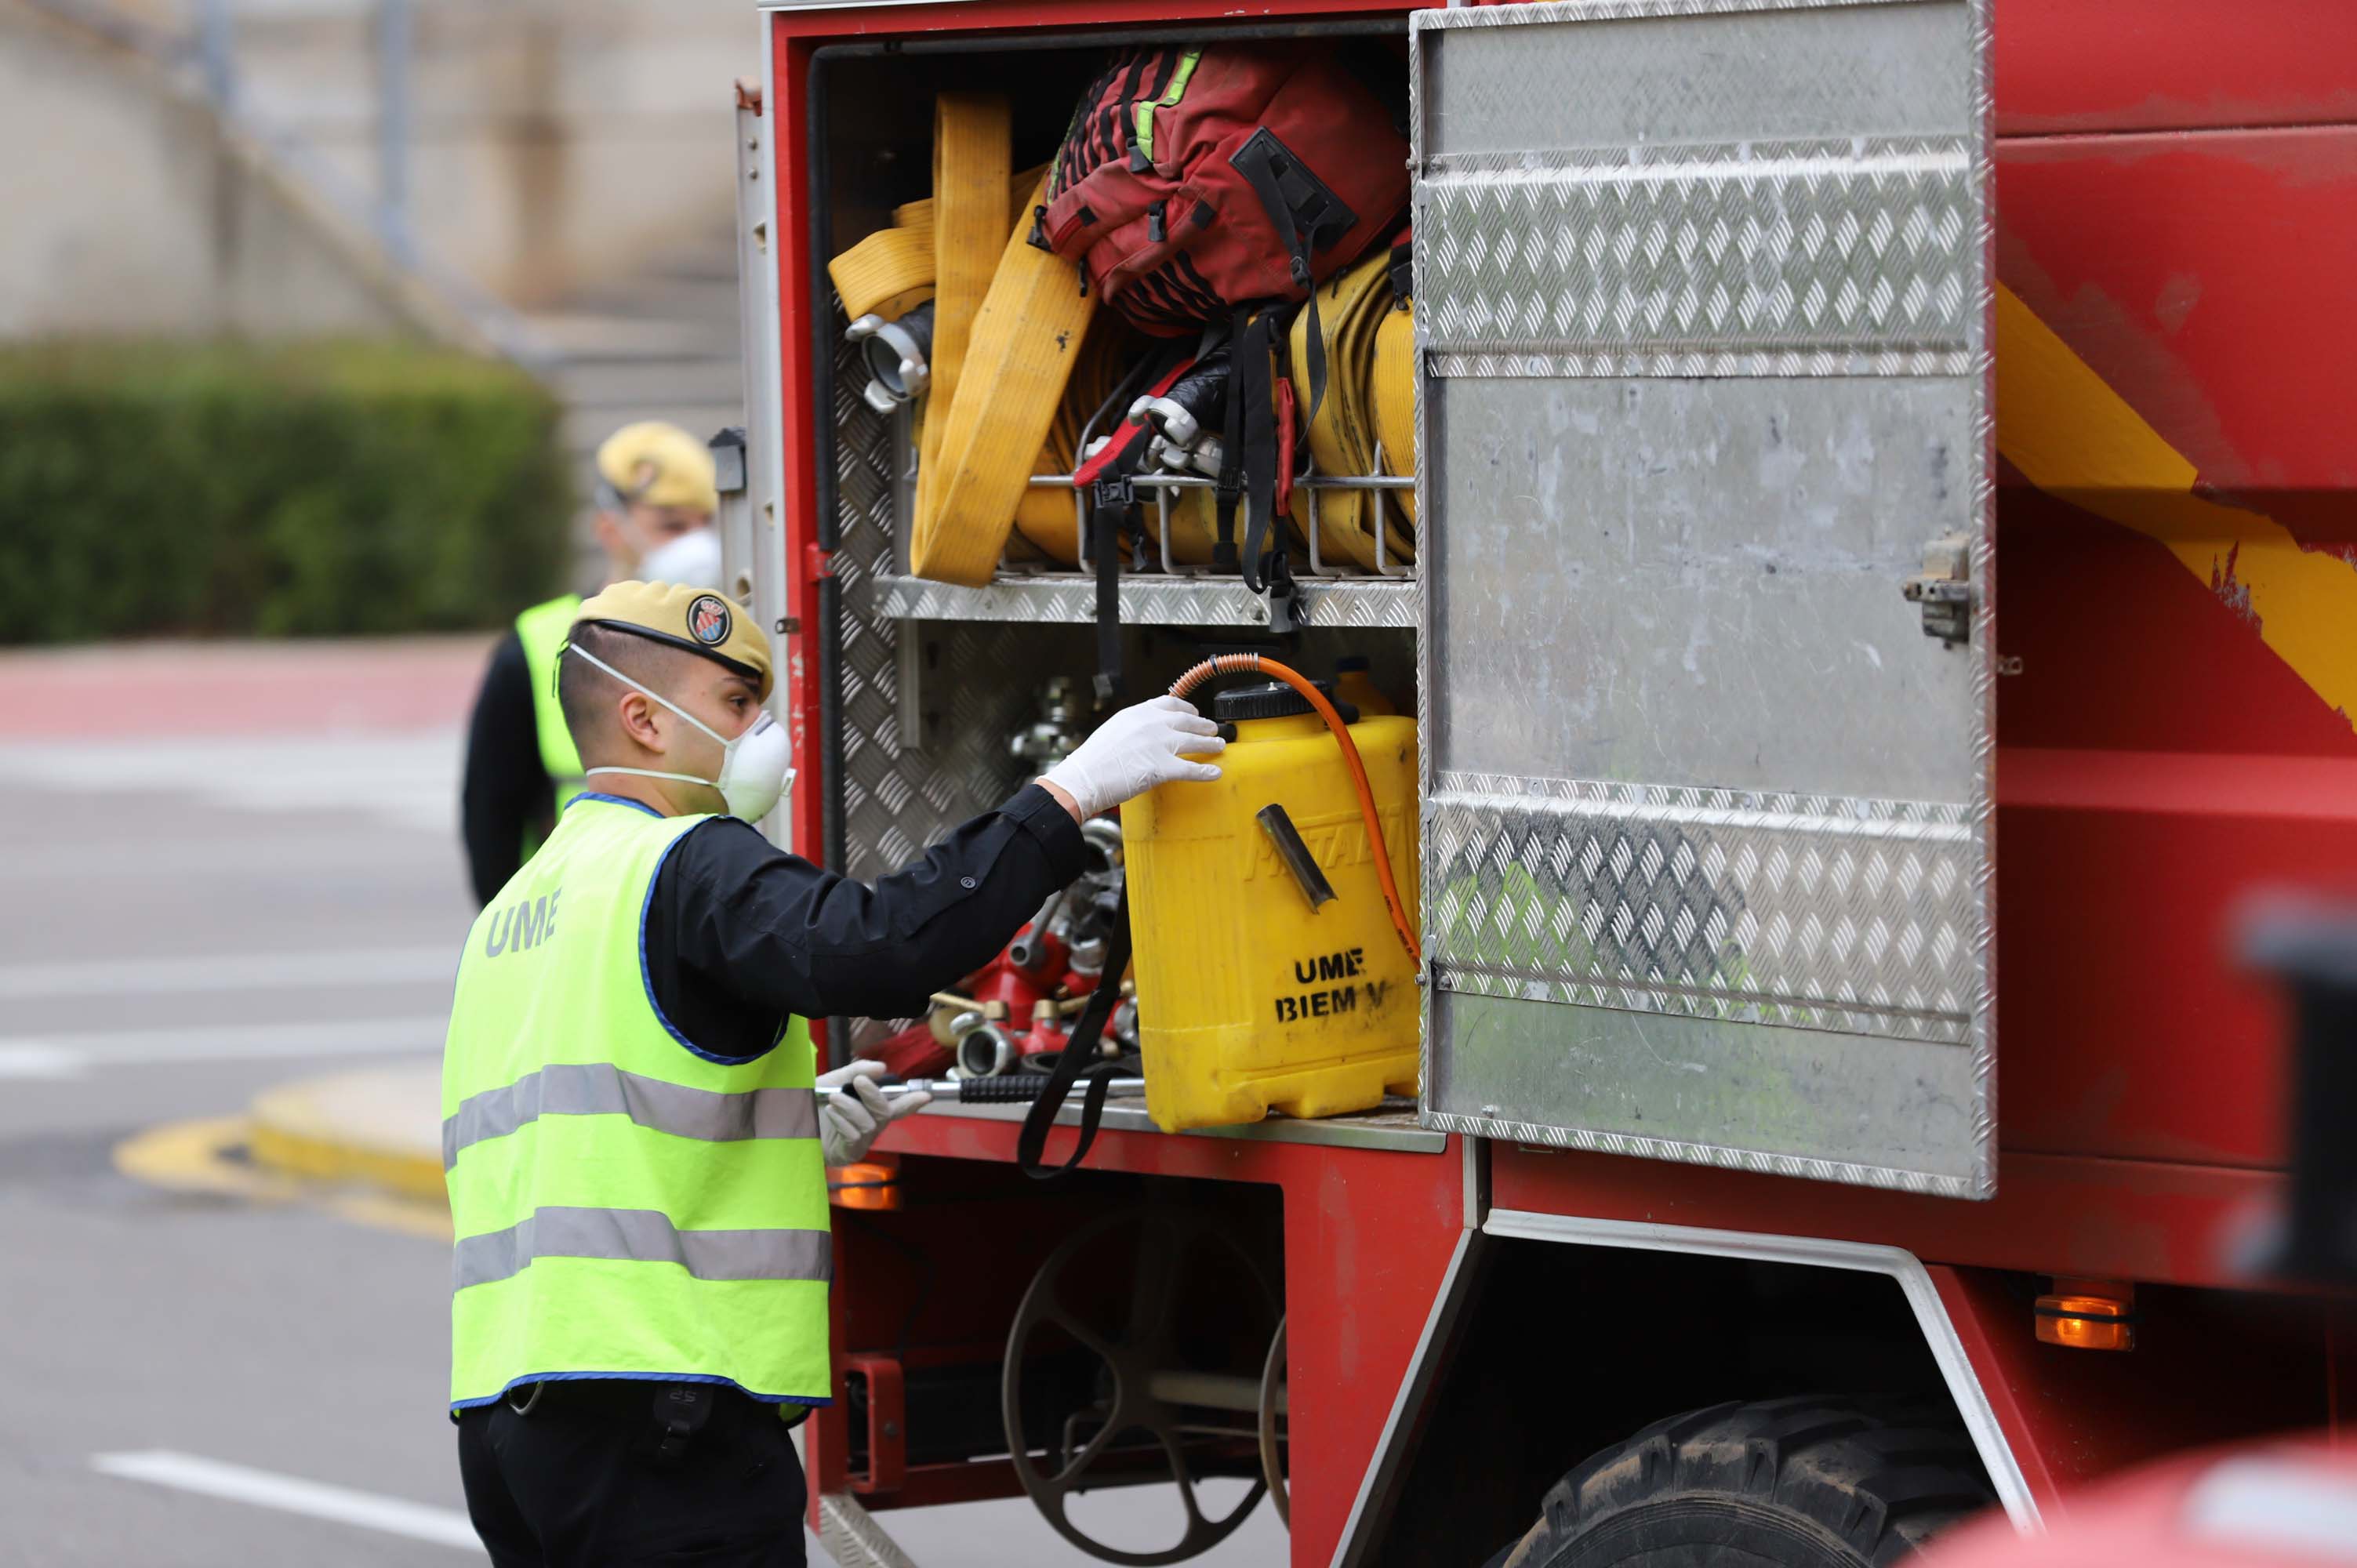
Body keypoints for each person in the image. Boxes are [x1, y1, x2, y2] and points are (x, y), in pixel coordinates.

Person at [441, 581, 1222, 1566]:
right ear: (643, 720)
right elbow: (878, 948)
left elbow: (592, 1139)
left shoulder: (516, 910)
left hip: (513, 1427)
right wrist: (1066, 797)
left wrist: (777, 1126)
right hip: (661, 1419)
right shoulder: (686, 860)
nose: (765, 731)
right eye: (736, 704)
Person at [459, 421, 728, 906]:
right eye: (670, 525)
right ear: (610, 529)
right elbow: (489, 823)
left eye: (705, 524)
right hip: (575, 923)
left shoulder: (729, 643)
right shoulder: (535, 646)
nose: (696, 544)